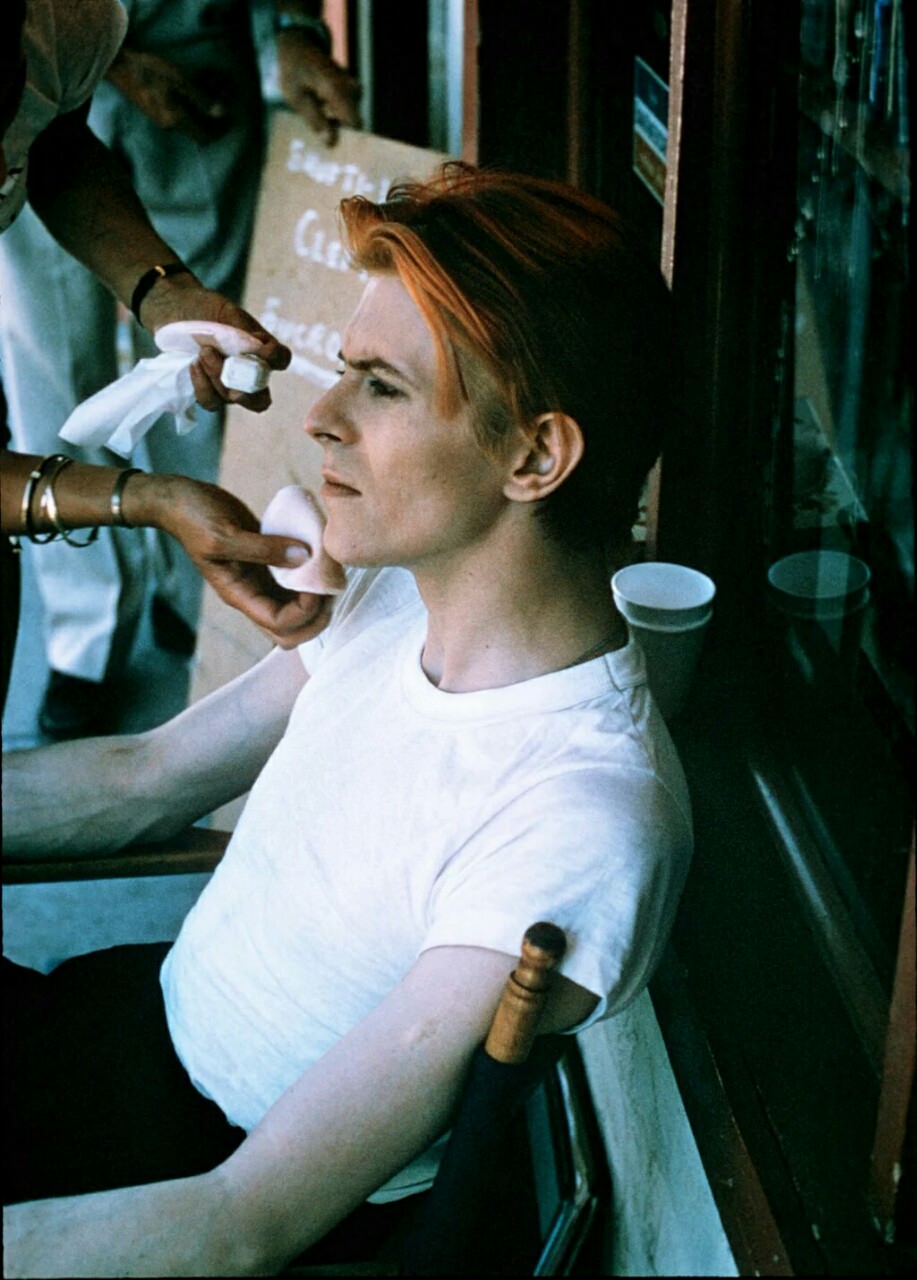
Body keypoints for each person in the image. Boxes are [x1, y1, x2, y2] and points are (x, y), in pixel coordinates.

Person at [2, 164, 693, 1277]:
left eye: (377, 386)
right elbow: (146, 774)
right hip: (125, 1025)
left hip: (178, 1174)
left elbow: (243, 1218)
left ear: (534, 456)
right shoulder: (391, 595)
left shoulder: (581, 815)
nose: (318, 418)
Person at [0, 0, 360, 738]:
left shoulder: (63, 28)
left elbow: (58, 138)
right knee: (47, 359)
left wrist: (159, 287)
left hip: (182, 39)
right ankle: (87, 641)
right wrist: (146, 499)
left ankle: (187, 606)